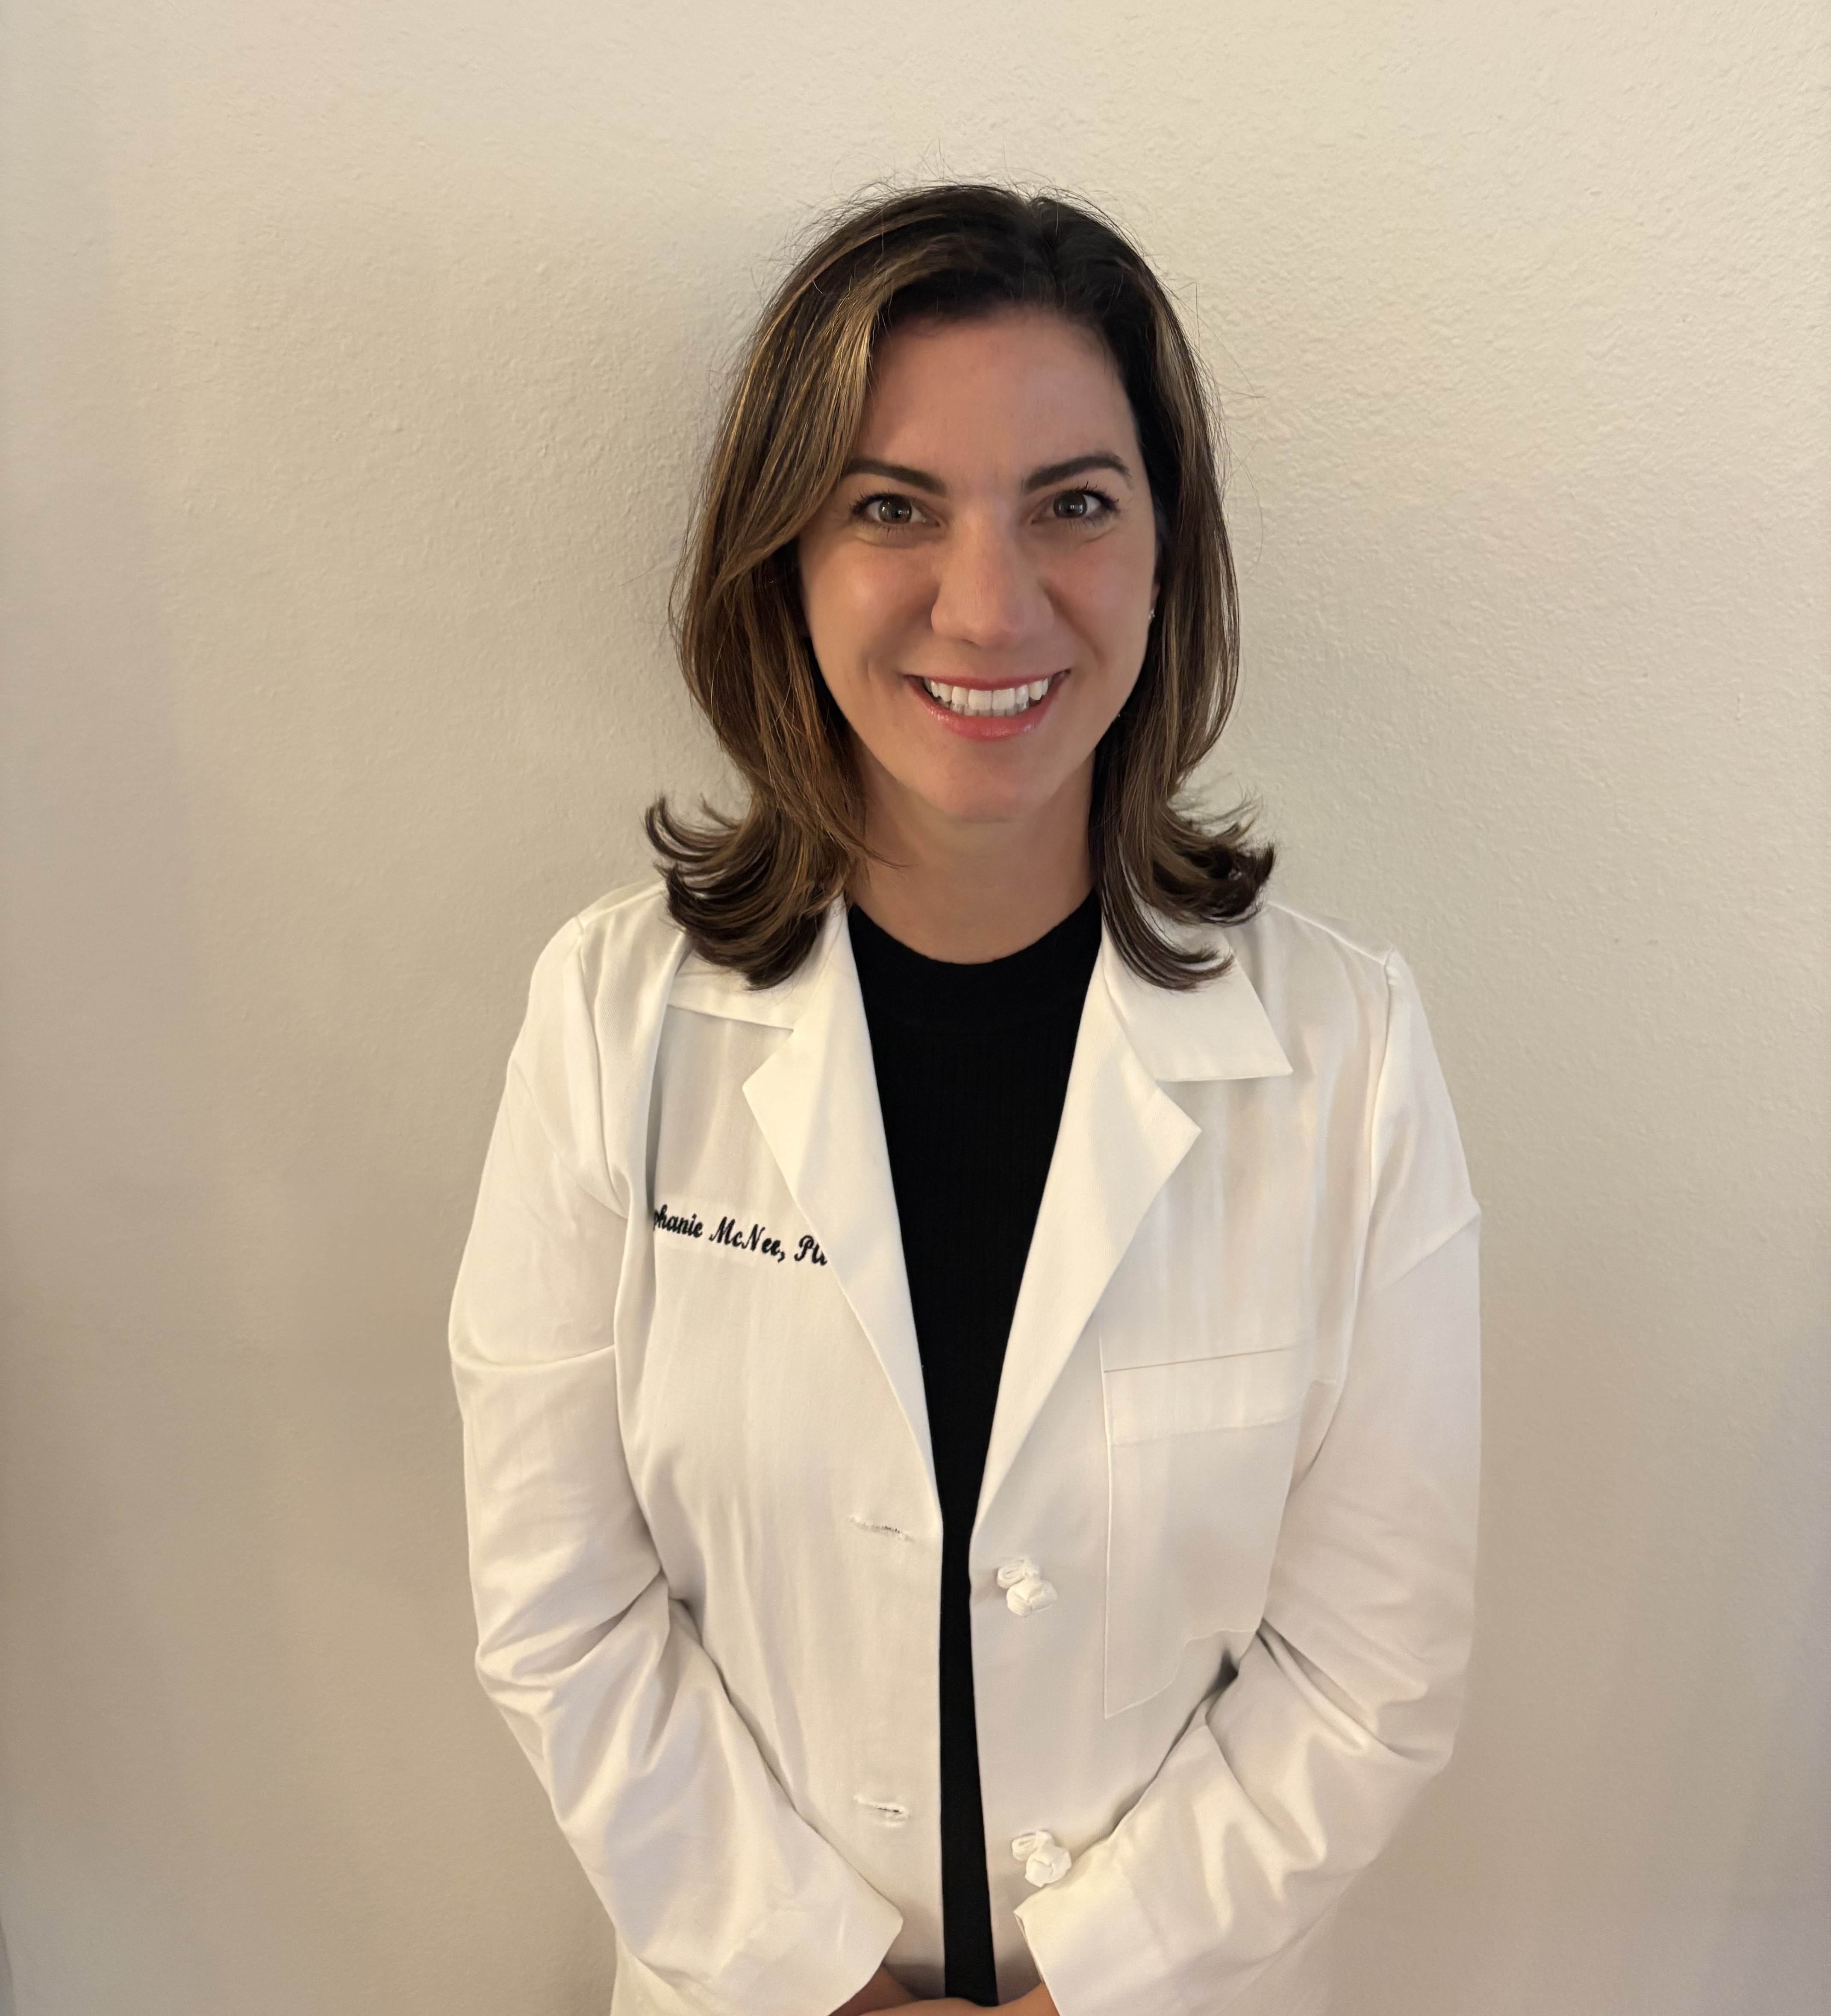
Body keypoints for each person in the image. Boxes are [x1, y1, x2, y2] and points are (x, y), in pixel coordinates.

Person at [449, 183, 1480, 2016]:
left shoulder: (1351, 1053)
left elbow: (1370, 1667)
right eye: (892, 507)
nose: (988, 600)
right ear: (783, 557)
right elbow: (562, 1609)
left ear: (1169, 556)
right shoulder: (614, 1019)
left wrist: (1088, 1984)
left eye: (1074, 503)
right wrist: (820, 1983)